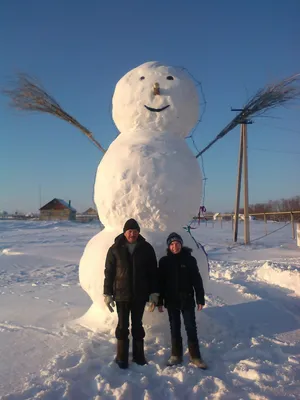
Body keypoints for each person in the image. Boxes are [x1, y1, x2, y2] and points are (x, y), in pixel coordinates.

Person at [103, 218, 159, 369]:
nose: (132, 234)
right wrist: (107, 293)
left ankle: (139, 356)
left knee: (137, 326)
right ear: (124, 232)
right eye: (129, 231)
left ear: (138, 232)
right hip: (121, 294)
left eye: (135, 231)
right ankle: (121, 356)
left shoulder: (146, 248)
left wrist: (154, 293)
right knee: (122, 326)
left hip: (140, 295)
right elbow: (109, 273)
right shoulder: (115, 249)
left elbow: (153, 272)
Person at [158, 232, 207, 369]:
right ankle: (176, 355)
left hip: (187, 299)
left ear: (181, 244)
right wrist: (160, 301)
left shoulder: (189, 260)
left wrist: (200, 298)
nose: (175, 246)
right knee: (174, 328)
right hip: (171, 300)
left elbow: (197, 280)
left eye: (177, 243)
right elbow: (160, 283)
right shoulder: (164, 262)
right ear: (169, 246)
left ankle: (195, 355)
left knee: (191, 327)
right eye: (172, 244)